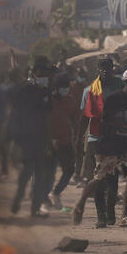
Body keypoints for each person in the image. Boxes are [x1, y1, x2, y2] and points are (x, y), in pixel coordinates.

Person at [72, 67, 127, 228]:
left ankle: (124, 217)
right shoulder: (114, 99)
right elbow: (105, 121)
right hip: (108, 143)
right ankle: (80, 203)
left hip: (125, 143)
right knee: (100, 178)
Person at [10, 57, 54, 218]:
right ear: (33, 73)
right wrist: (15, 139)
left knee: (39, 175)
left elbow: (47, 115)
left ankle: (33, 208)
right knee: (28, 171)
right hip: (27, 137)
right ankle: (19, 198)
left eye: (45, 74)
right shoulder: (23, 91)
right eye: (40, 73)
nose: (43, 76)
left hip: (40, 137)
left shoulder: (45, 92)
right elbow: (15, 114)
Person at [79, 57, 123, 182]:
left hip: (114, 132)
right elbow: (84, 116)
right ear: (98, 70)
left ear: (112, 69)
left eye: (108, 68)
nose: (105, 71)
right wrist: (80, 136)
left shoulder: (120, 87)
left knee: (112, 166)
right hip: (95, 133)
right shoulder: (89, 90)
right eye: (102, 68)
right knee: (91, 166)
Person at [47, 72, 79, 211]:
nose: (64, 89)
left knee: (69, 170)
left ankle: (56, 193)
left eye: (66, 87)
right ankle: (43, 198)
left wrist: (76, 137)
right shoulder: (47, 99)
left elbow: (75, 119)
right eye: (62, 87)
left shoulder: (71, 100)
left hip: (65, 141)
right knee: (48, 171)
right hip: (49, 141)